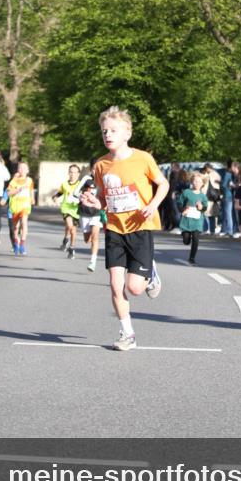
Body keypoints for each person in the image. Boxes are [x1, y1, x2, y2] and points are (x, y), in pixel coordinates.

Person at [88, 106, 169, 351]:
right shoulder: (101, 165)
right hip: (114, 229)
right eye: (104, 131)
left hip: (140, 227)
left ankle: (150, 274)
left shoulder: (143, 158)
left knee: (134, 288)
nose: (108, 135)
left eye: (113, 130)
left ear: (127, 133)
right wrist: (96, 203)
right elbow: (103, 198)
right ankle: (127, 334)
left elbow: (163, 184)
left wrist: (153, 205)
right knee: (115, 284)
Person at [77, 160, 103, 272]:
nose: (96, 171)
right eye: (94, 169)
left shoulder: (103, 180)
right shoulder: (86, 179)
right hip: (84, 212)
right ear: (91, 169)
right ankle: (89, 236)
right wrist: (82, 197)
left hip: (96, 213)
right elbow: (76, 192)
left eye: (98, 169)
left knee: (95, 236)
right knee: (87, 239)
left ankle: (93, 261)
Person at [177, 170, 208, 264]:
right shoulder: (186, 192)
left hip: (197, 221)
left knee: (196, 239)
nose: (196, 183)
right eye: (195, 181)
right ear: (191, 182)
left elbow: (205, 207)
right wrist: (183, 209)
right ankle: (185, 237)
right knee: (186, 241)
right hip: (186, 220)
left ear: (202, 184)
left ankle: (192, 258)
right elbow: (179, 203)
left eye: (199, 182)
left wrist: (201, 207)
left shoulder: (203, 196)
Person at [54, 164, 82, 259]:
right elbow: (60, 192)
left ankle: (71, 247)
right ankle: (66, 240)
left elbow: (84, 195)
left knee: (73, 230)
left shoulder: (81, 185)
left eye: (74, 172)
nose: (72, 174)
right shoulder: (64, 184)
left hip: (76, 209)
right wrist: (55, 197)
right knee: (70, 226)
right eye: (71, 172)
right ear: (68, 173)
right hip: (66, 208)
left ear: (78, 174)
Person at [7, 161, 34, 255]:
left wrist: (33, 199)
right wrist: (18, 190)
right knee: (15, 228)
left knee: (24, 222)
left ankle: (22, 244)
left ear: (27, 170)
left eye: (24, 168)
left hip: (25, 205)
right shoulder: (14, 181)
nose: (22, 170)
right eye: (20, 168)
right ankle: (16, 244)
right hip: (15, 206)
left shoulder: (29, 180)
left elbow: (31, 190)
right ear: (18, 169)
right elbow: (9, 193)